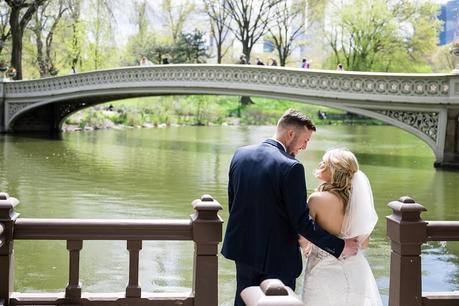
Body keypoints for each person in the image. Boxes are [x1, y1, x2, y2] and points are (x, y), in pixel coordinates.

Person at [221, 109, 359, 306]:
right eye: (306, 140)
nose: (305, 146)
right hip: (279, 258)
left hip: (243, 250)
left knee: (243, 301)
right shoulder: (291, 167)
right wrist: (340, 246)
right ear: (291, 134)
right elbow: (302, 222)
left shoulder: (240, 155)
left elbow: (234, 204)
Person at [300, 149, 382, 306]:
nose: (320, 164)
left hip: (323, 271)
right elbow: (364, 244)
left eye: (324, 163)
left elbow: (304, 233)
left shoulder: (317, 199)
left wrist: (305, 246)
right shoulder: (357, 203)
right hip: (356, 269)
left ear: (334, 170)